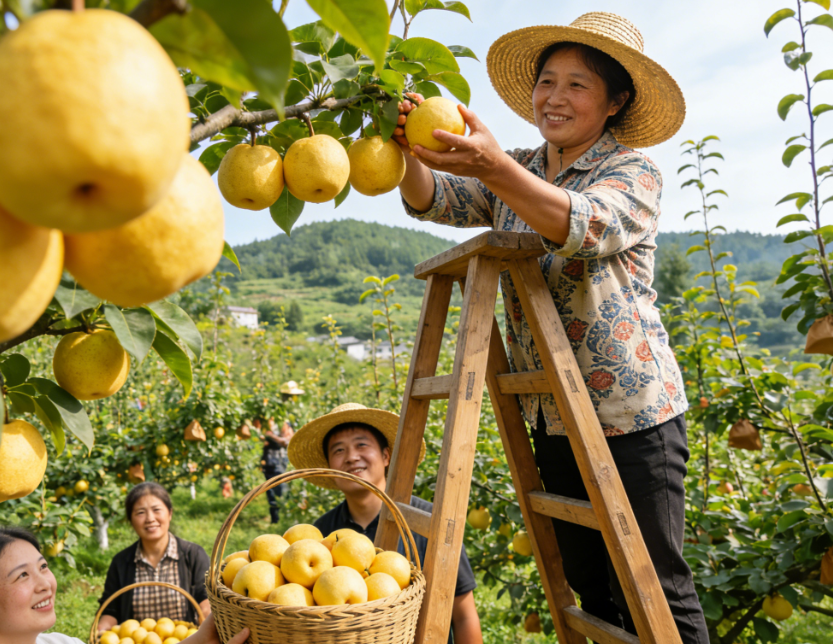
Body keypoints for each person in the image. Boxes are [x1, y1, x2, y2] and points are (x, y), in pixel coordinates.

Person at [392, 11, 708, 644]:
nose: (554, 97)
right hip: (554, 412)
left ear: (616, 102)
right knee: (595, 592)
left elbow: (580, 225)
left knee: (654, 590)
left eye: (578, 85)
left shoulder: (634, 171)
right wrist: (404, 149)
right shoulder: (521, 164)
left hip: (631, 413)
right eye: (546, 81)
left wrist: (494, 170)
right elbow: (438, 198)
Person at [287, 403, 482, 644]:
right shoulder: (321, 536)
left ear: (386, 455)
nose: (351, 457)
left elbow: (463, 615)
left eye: (361, 445)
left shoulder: (427, 522)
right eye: (338, 450)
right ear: (329, 468)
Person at [0, 526, 248, 644]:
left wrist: (203, 637)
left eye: (43, 567)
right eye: (23, 576)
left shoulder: (59, 643)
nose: (45, 584)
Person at [97, 482, 210, 633]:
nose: (150, 518)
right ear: (131, 520)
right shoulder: (121, 562)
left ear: (169, 513)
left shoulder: (193, 555)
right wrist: (102, 630)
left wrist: (207, 625)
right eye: (140, 512)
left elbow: (206, 600)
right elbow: (111, 610)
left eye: (157, 510)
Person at [260, 416, 292, 523]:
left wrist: (271, 436)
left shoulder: (285, 428)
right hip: (269, 465)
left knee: (281, 492)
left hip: (279, 465)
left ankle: (285, 519)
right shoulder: (269, 428)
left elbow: (285, 442)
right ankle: (275, 520)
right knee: (271, 493)